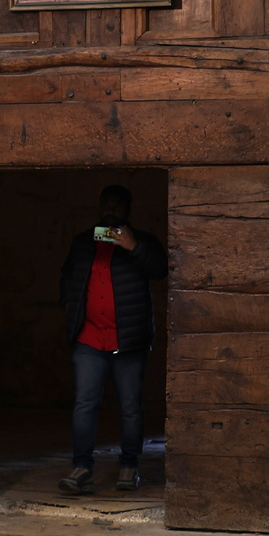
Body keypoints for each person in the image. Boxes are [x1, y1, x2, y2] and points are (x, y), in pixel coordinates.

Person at [58, 185, 169, 494]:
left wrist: (133, 246)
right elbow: (67, 275)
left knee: (131, 407)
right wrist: (68, 303)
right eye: (105, 205)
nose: (110, 210)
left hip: (129, 341)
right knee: (85, 404)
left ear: (127, 210)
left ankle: (129, 466)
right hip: (89, 338)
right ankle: (82, 467)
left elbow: (160, 270)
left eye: (116, 206)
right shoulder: (84, 241)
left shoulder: (144, 240)